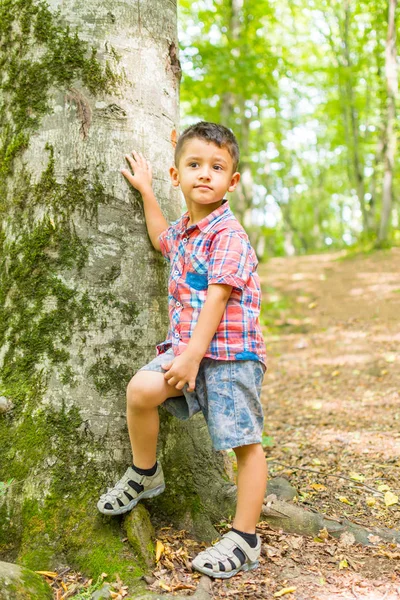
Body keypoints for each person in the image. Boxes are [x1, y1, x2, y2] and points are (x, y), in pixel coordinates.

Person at [97, 122, 267, 579]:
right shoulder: (187, 232)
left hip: (228, 356)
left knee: (243, 443)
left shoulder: (227, 234)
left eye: (217, 167)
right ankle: (146, 471)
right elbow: (160, 239)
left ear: (232, 181)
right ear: (178, 176)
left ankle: (244, 539)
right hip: (186, 352)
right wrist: (147, 192)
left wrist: (192, 355)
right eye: (194, 165)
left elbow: (218, 296)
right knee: (141, 391)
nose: (205, 175)